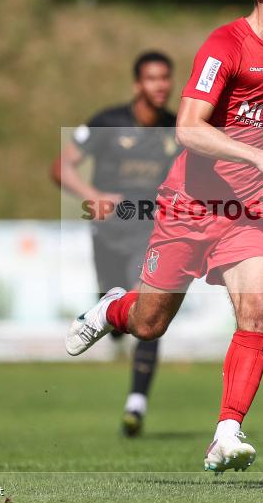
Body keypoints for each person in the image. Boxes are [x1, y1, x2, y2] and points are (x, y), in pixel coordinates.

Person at [66, 0, 263, 472]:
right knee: (149, 323)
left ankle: (227, 432)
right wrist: (258, 156)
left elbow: (259, 129)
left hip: (249, 212)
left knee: (258, 311)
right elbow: (187, 129)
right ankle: (112, 307)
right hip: (189, 206)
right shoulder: (224, 45)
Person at [54, 50, 178, 437]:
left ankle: (135, 404)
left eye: (166, 78)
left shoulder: (178, 128)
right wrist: (92, 195)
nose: (161, 86)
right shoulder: (107, 122)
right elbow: (61, 167)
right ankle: (109, 311)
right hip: (108, 231)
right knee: (118, 308)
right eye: (153, 79)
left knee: (149, 309)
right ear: (137, 84)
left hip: (150, 229)